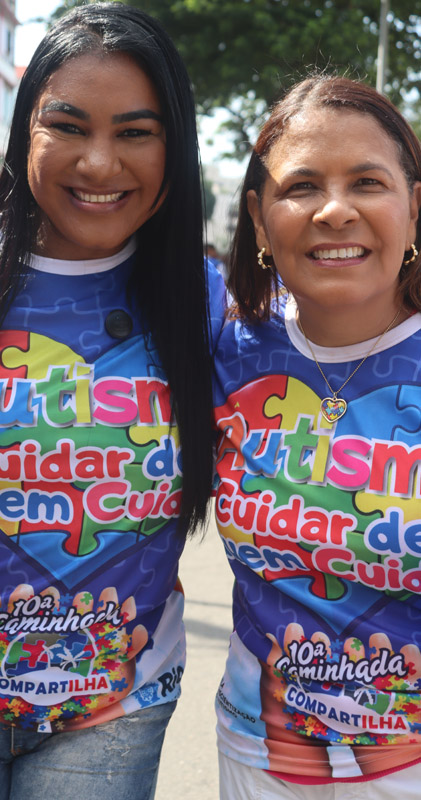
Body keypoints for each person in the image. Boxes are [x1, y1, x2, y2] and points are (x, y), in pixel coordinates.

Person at [0, 5, 224, 798]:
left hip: (117, 702)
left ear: (174, 145)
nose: (99, 162)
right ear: (24, 131)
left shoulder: (212, 309)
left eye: (135, 132)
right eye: (67, 126)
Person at [213, 74, 421, 799]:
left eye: (366, 181)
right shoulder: (227, 349)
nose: (335, 211)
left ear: (414, 207)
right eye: (300, 187)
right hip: (259, 751)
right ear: (260, 220)